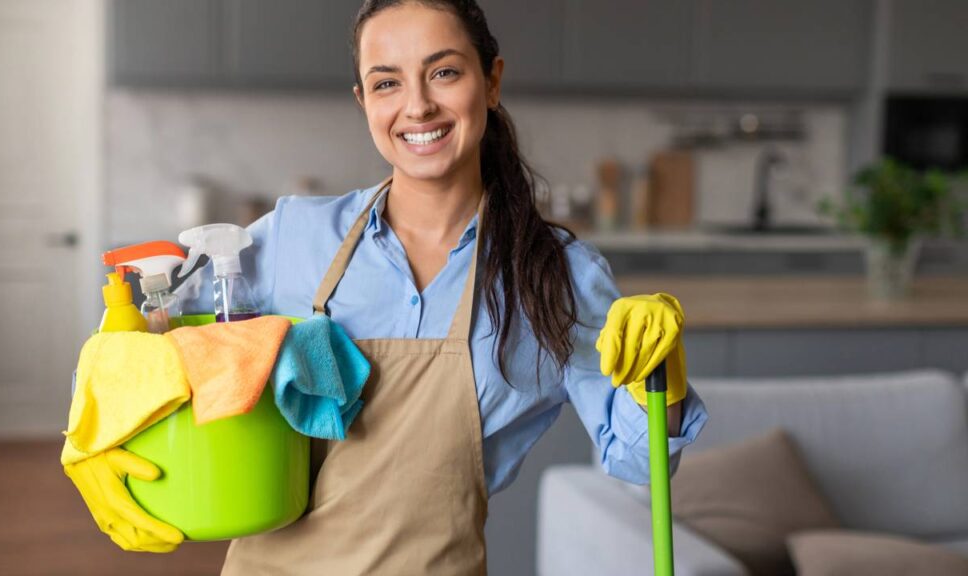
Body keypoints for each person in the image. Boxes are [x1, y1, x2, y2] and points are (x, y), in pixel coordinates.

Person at [185, 1, 708, 573]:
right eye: (387, 83)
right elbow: (156, 331)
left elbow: (641, 461)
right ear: (364, 101)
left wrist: (665, 375)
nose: (417, 106)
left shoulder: (555, 278)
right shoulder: (293, 238)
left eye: (444, 72)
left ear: (491, 82)